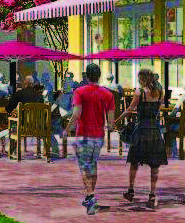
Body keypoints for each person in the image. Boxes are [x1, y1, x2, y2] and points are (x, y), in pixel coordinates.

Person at [62, 63, 115, 215]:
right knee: (93, 164)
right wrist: (110, 127)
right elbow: (111, 122)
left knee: (85, 166)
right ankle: (89, 196)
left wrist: (67, 129)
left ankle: (91, 197)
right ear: (99, 76)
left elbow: (77, 113)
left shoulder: (79, 92)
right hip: (98, 136)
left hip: (84, 134)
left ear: (86, 76)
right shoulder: (108, 94)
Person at [114, 69, 168, 209]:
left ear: (143, 78)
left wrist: (116, 121)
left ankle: (131, 190)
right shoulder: (160, 92)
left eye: (139, 78)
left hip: (142, 130)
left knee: (134, 161)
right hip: (155, 131)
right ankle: (152, 194)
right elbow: (159, 109)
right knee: (154, 165)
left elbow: (129, 110)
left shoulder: (140, 92)